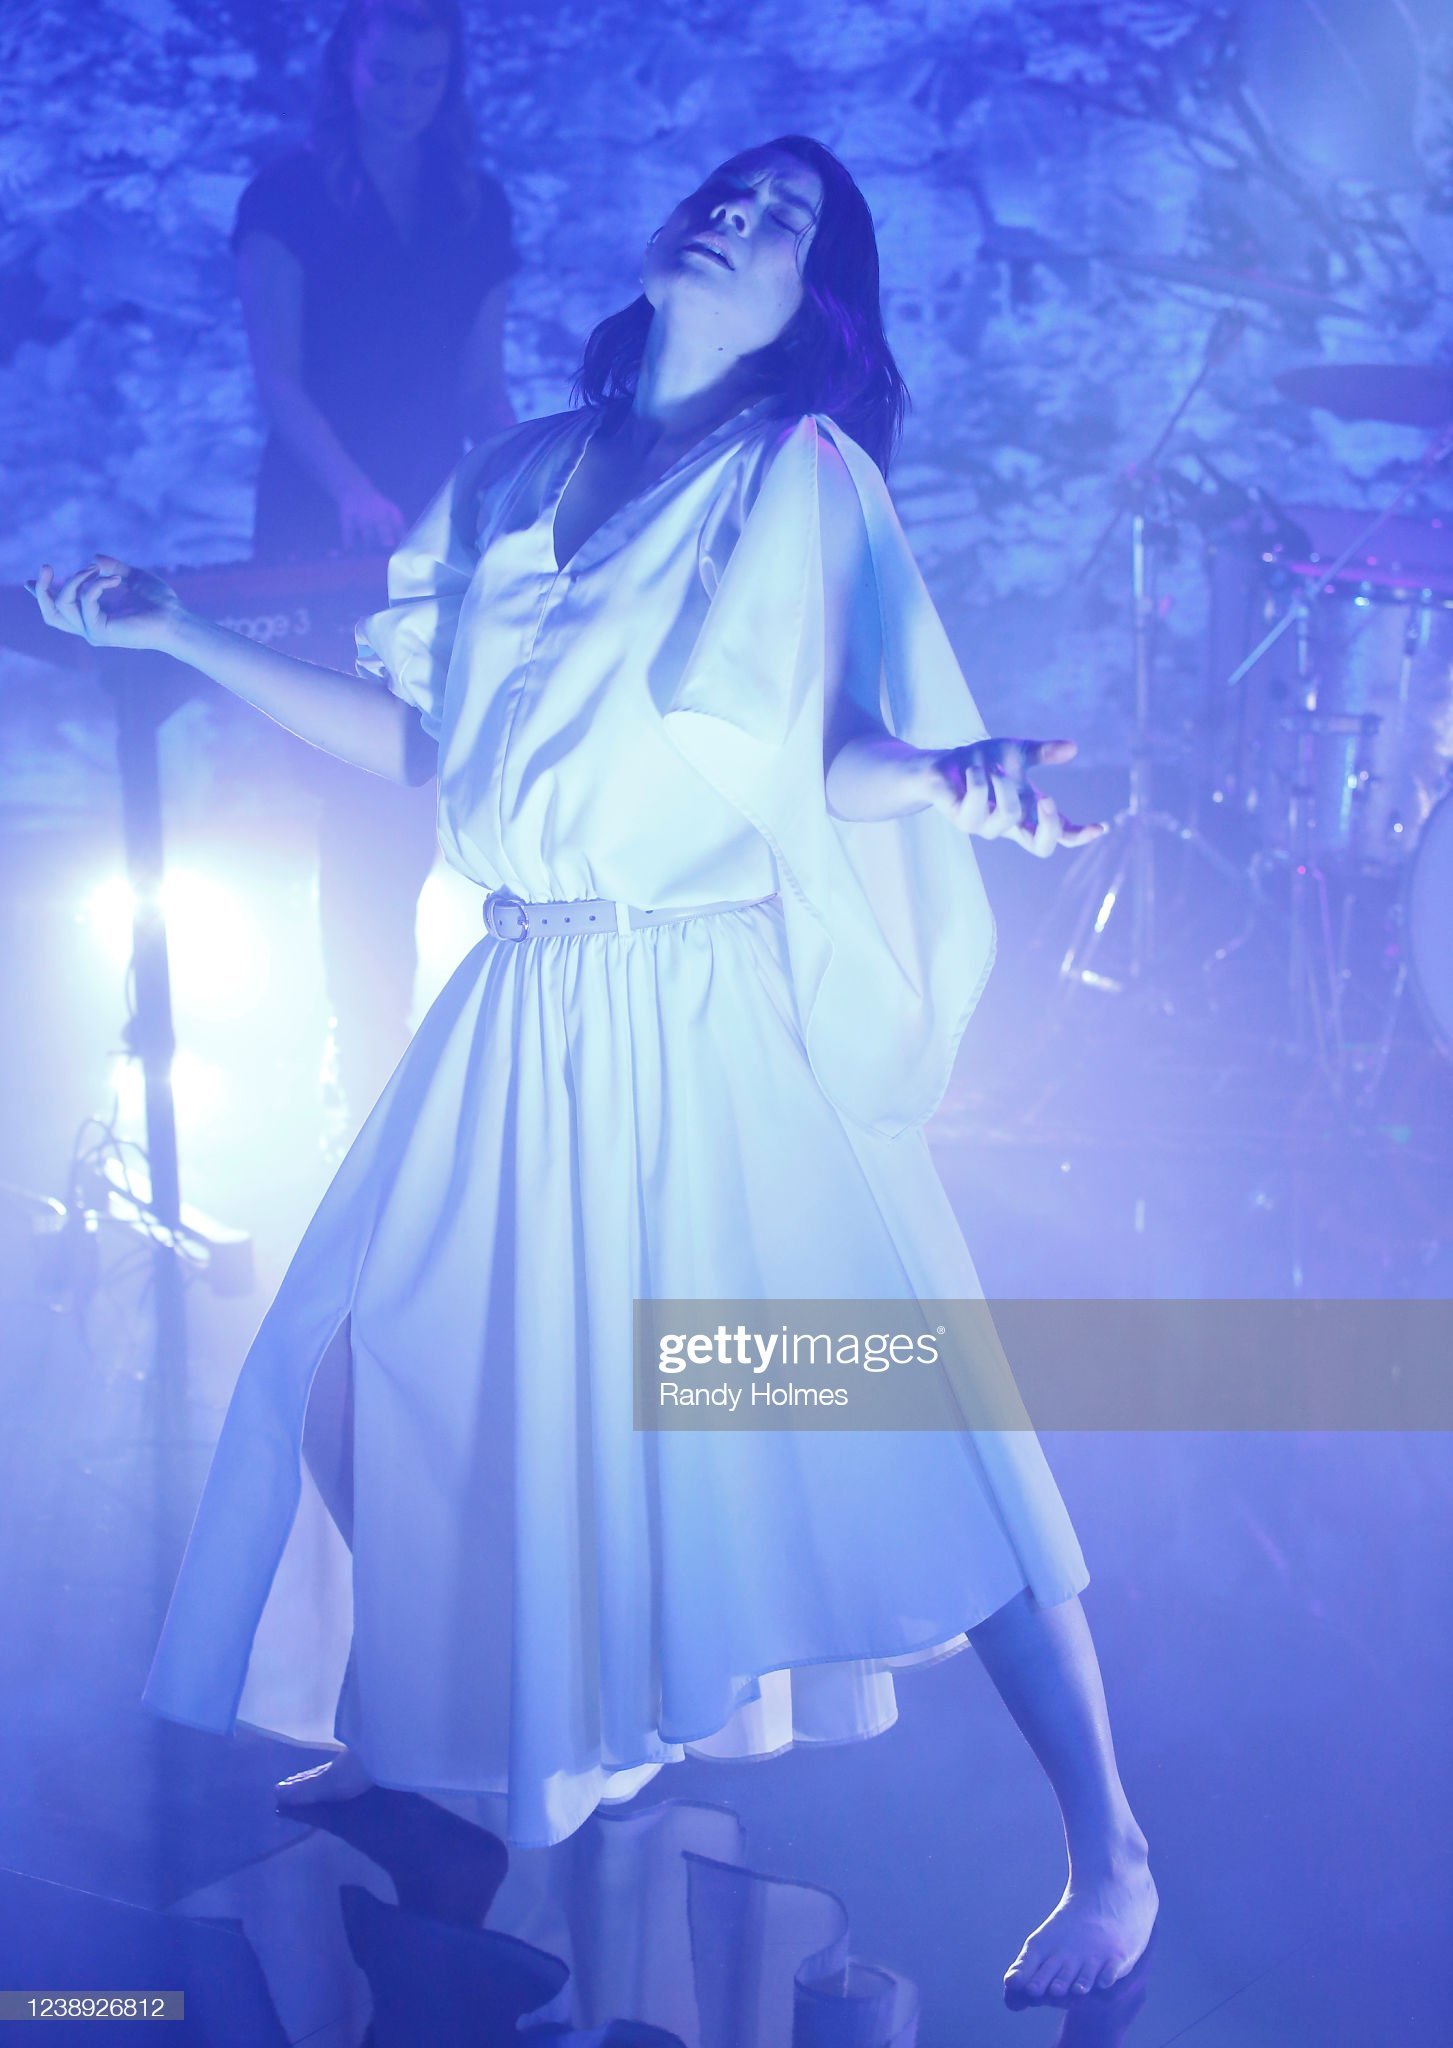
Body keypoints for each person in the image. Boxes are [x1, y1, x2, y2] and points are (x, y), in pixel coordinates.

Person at [31, 135, 1158, 2006]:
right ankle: (436, 1761)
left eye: (785, 220)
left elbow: (828, 749)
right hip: (516, 999)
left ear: (811, 303)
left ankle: (1109, 1848)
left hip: (695, 1014)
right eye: (729, 189)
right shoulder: (512, 476)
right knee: (357, 1371)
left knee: (901, 1427)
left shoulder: (797, 476)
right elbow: (420, 748)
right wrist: (177, 632)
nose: (739, 215)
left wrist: (958, 781)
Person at [234, 0, 518, 1129]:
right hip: (324, 518)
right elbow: (279, 375)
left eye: (426, 77)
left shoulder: (477, 204)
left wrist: (528, 485)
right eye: (388, 72)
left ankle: (449, 1065)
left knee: (448, 771)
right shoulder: (287, 196)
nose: (406, 94)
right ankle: (366, 1060)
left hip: (439, 514)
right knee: (360, 790)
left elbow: (481, 389)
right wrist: (354, 490)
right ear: (347, 66)